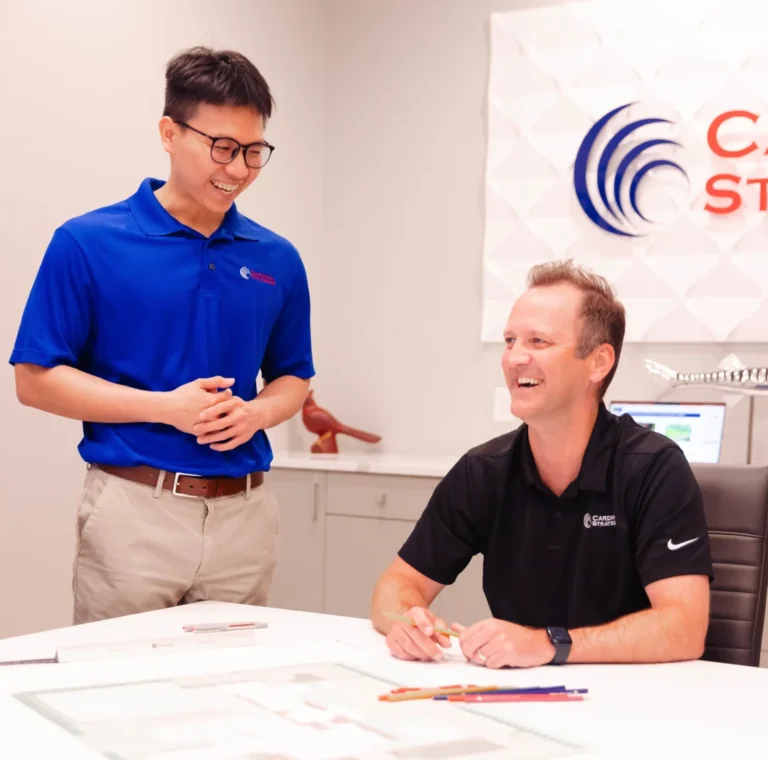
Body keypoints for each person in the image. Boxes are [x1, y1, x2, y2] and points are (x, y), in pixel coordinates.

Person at [10, 46, 314, 624]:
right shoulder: (86, 243)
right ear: (169, 133)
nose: (237, 170)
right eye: (222, 147)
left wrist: (257, 415)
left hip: (245, 518)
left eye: (253, 152)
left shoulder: (278, 258)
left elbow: (293, 377)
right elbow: (35, 380)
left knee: (231, 698)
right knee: (115, 696)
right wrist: (164, 409)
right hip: (133, 514)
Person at [371, 260, 712, 668]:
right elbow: (397, 584)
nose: (514, 358)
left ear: (599, 362)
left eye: (538, 342)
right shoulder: (483, 470)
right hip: (514, 693)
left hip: (634, 703)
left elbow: (684, 629)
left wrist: (549, 644)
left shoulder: (654, 468)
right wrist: (407, 620)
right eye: (510, 340)